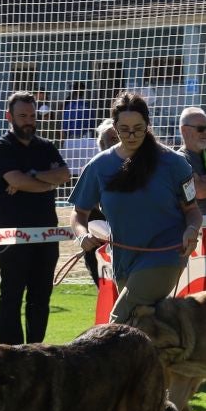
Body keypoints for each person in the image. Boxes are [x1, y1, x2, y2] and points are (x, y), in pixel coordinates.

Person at [70, 93, 203, 324]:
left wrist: (192, 229)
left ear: (148, 125)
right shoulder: (99, 166)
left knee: (120, 321)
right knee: (143, 329)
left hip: (166, 255)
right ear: (114, 128)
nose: (131, 135)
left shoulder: (174, 163)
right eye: (124, 129)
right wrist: (82, 236)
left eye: (138, 128)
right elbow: (79, 214)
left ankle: (98, 359)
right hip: (124, 262)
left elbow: (192, 210)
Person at [0, 91, 71, 345]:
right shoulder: (2, 147)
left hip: (46, 234)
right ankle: (10, 356)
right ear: (9, 117)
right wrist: (44, 181)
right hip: (11, 234)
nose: (28, 121)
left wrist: (33, 176)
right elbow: (15, 180)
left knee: (40, 296)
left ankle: (36, 351)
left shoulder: (46, 147)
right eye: (23, 115)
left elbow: (64, 175)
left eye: (32, 116)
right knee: (11, 295)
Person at [82, 119, 118, 287]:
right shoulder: (91, 169)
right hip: (99, 247)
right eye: (112, 138)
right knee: (107, 296)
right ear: (101, 143)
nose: (117, 141)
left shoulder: (138, 169)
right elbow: (86, 207)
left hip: (131, 245)